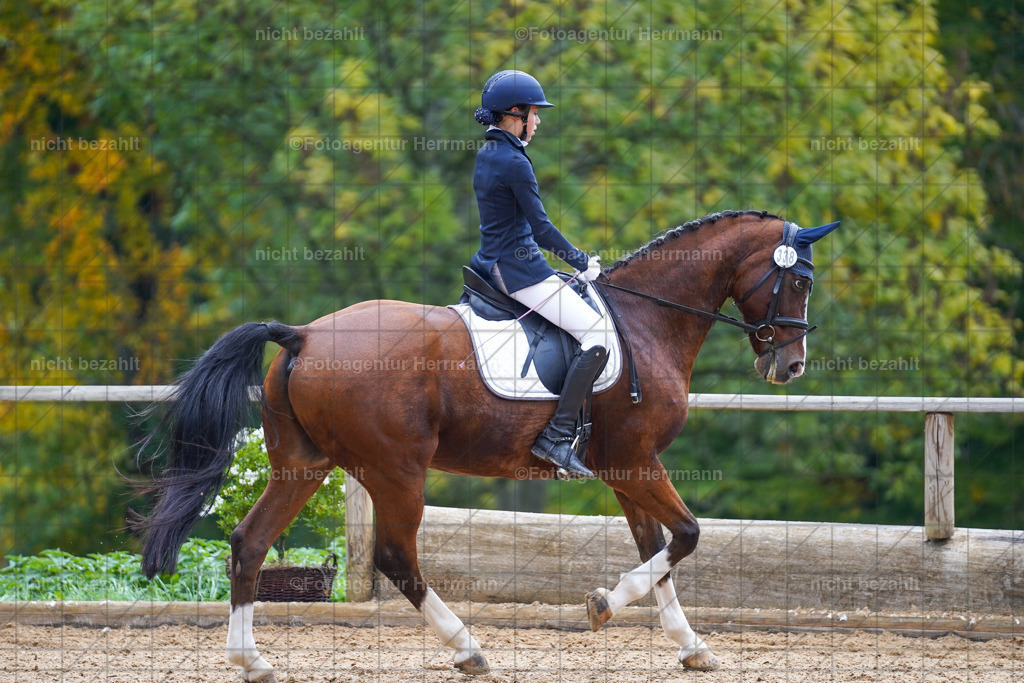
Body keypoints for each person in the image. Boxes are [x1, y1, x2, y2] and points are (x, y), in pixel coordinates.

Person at [469, 69, 615, 480]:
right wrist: (581, 261)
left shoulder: (489, 152)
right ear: (515, 114)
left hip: (493, 262)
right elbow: (541, 227)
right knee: (598, 335)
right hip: (519, 271)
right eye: (535, 113)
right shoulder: (515, 161)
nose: (539, 121)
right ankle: (556, 436)